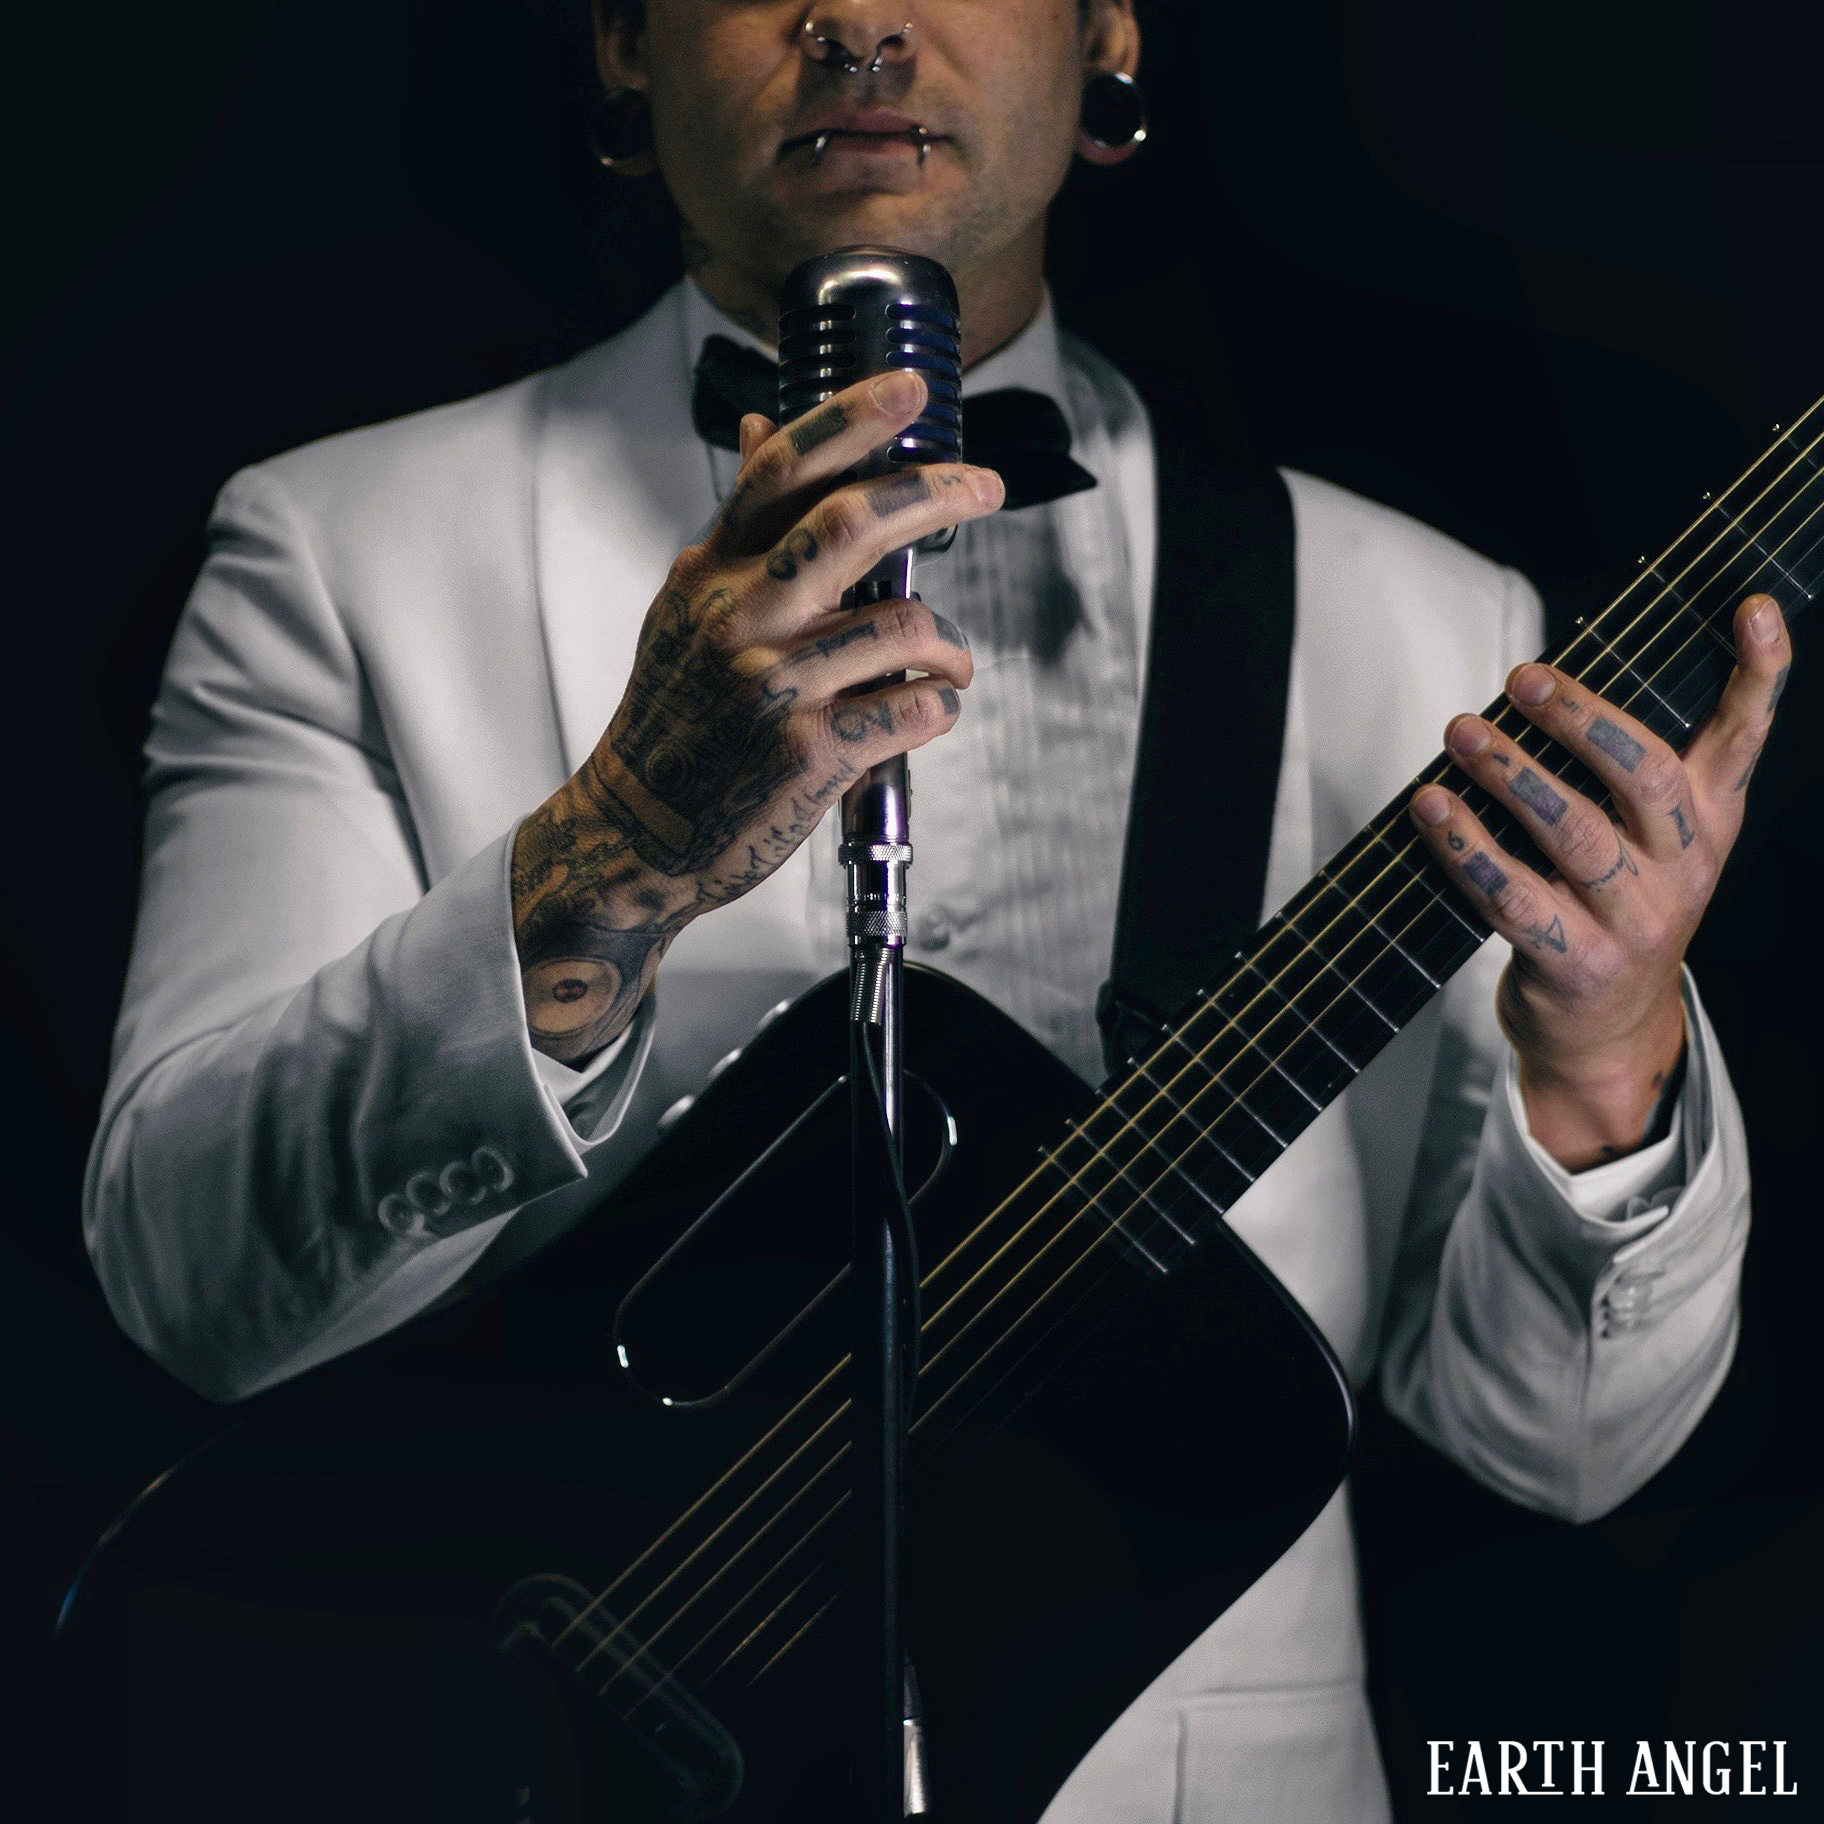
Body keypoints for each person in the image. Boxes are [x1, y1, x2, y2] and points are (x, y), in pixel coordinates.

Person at [83, 2, 1788, 1817]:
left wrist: (1608, 1063)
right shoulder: (338, 554)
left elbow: (1564, 1450)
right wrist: (617, 849)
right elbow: (193, 1282)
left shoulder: (1431, 621)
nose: (864, 22)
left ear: (1106, 25)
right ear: (625, 43)